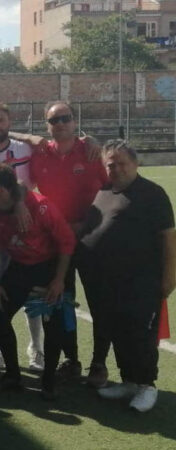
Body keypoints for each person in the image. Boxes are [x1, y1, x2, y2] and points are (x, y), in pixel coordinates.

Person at [79, 141, 175, 412]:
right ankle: (129, 381)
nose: (116, 169)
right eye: (111, 164)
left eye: (122, 163)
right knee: (118, 331)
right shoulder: (105, 190)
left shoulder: (152, 194)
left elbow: (169, 239)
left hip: (141, 281)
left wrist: (169, 279)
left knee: (139, 334)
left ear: (135, 164)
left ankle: (147, 385)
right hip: (108, 281)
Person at [0, 163, 75, 399]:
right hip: (20, 267)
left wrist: (59, 280)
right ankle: (12, 376)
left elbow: (67, 242)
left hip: (50, 266)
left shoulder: (40, 207)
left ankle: (49, 380)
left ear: (2, 190)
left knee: (54, 321)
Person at [30, 101, 108, 385]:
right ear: (47, 125)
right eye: (54, 120)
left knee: (100, 303)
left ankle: (99, 363)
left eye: (65, 118)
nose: (60, 124)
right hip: (56, 245)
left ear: (75, 121)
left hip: (92, 242)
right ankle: (71, 359)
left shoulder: (92, 152)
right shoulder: (39, 155)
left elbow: (112, 194)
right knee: (62, 302)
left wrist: (86, 224)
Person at [0, 103, 44, 372]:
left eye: (0, 121)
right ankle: (1, 348)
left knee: (31, 295)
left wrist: (21, 203)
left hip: (24, 227)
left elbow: (30, 180)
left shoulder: (24, 149)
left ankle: (36, 349)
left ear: (9, 122)